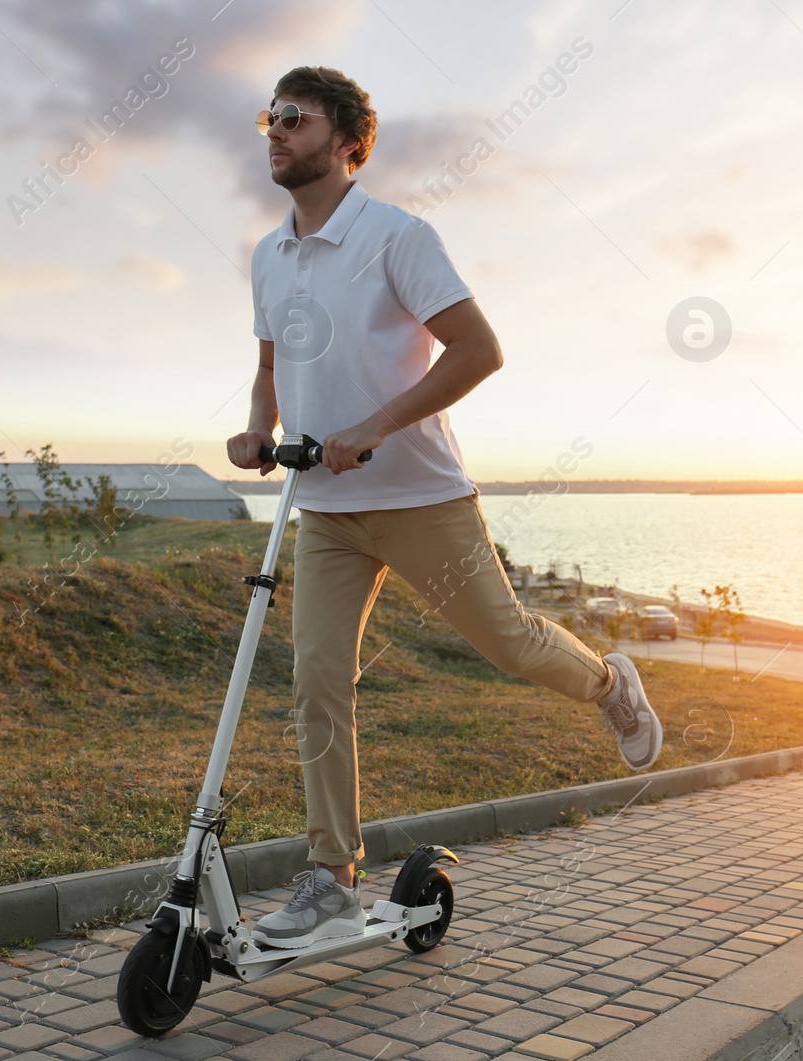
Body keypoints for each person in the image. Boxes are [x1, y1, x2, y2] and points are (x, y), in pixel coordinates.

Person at [226, 66, 662, 950]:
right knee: (316, 683)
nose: (273, 129)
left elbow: (478, 349)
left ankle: (612, 684)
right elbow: (273, 366)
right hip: (327, 511)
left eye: (293, 117)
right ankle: (331, 875)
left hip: (424, 494)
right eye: (267, 116)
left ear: (348, 140)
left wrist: (376, 425)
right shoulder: (269, 256)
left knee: (508, 642)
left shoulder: (397, 237)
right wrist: (254, 430)